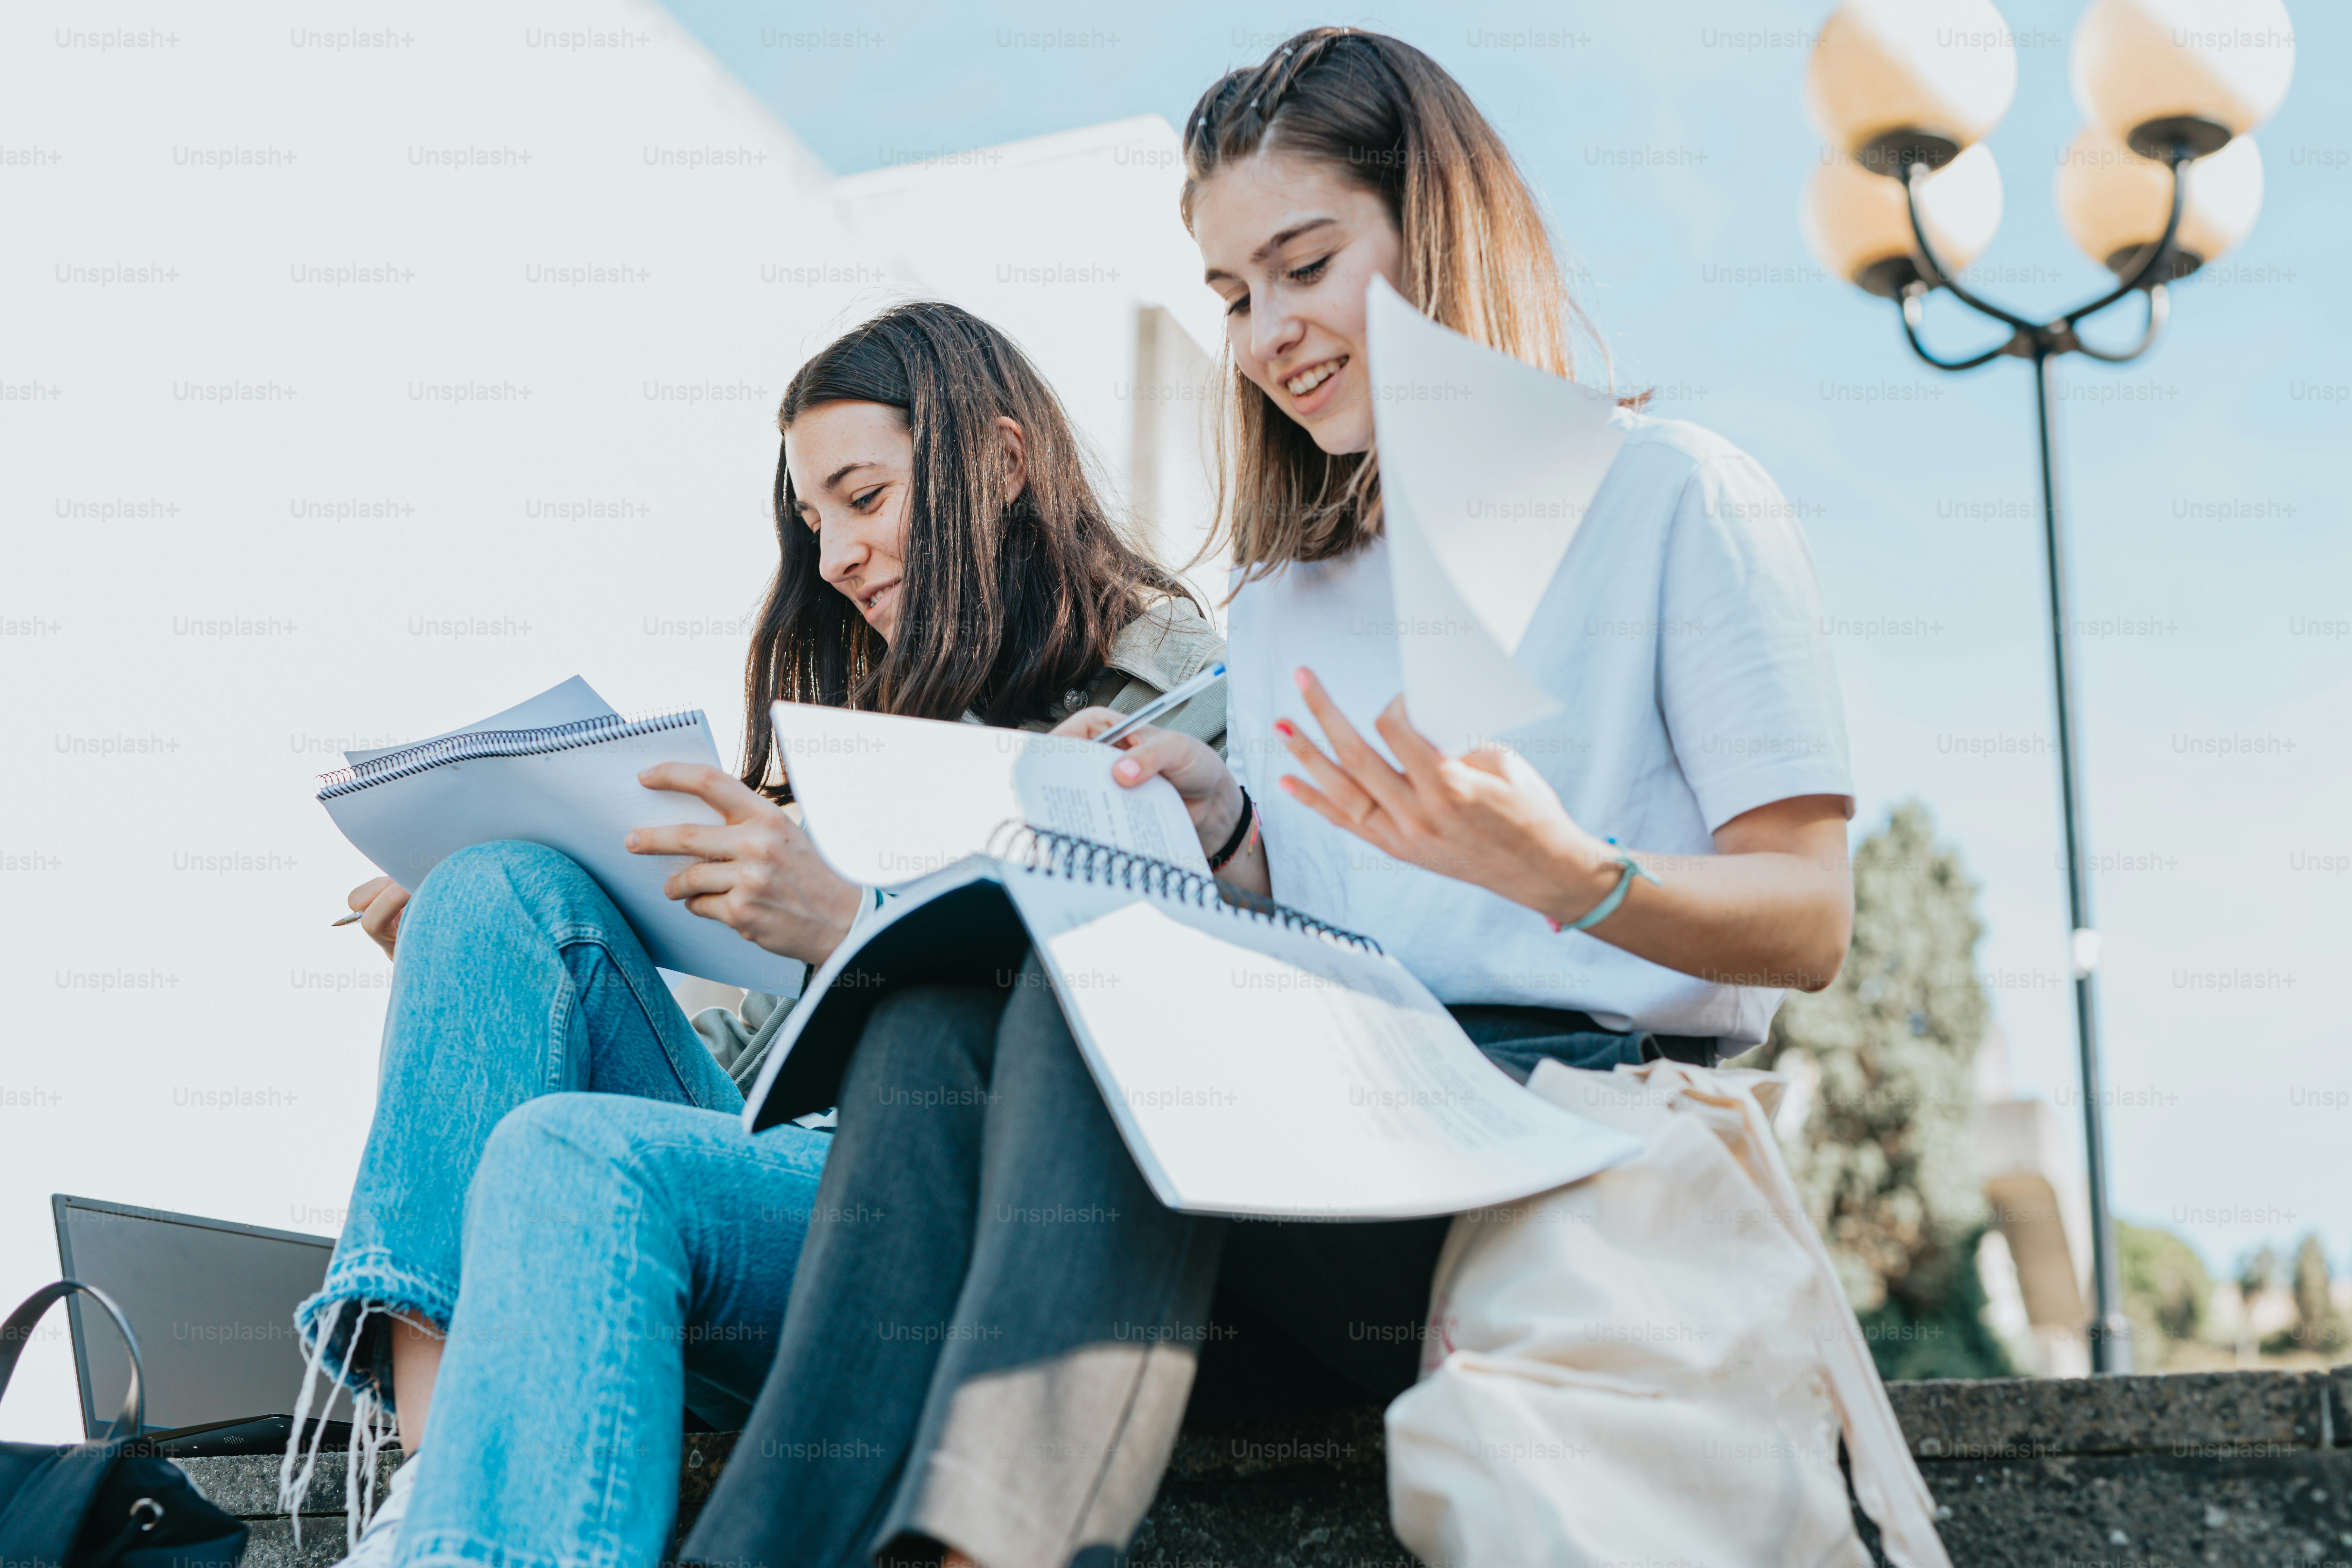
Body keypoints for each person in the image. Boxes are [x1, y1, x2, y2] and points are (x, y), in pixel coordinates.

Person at [679, 28, 1855, 1568]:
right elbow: (1327, 936)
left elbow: (1810, 919)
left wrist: (1572, 872)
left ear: (1432, 223)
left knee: (1091, 1005)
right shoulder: (1291, 600)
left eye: (1304, 266)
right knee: (930, 1025)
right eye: (1235, 297)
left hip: (1555, 1156)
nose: (1269, 334)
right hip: (1329, 1172)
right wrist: (1226, 832)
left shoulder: (1672, 494)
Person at [291, 301, 1226, 1568]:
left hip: (937, 1199)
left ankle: (469, 1508)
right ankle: (436, 1486)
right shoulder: (877, 727)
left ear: (1002, 466)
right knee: (489, 890)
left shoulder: (1167, 694)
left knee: (573, 1152)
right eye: (814, 521)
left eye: (865, 498)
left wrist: (847, 919)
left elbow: (1112, 1024)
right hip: (767, 1171)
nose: (836, 553)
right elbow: (738, 1064)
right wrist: (493, 987)